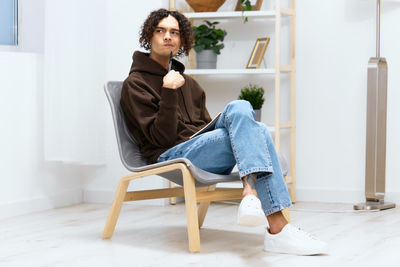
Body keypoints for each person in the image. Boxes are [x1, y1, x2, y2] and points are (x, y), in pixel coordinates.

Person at [120, 8, 328, 256]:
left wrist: (178, 89)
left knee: (244, 113)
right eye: (160, 31)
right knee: (258, 129)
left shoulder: (191, 85)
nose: (167, 37)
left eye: (174, 32)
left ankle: (252, 197)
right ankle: (276, 225)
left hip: (200, 151)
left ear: (181, 40)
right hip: (170, 155)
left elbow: (206, 128)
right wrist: (168, 91)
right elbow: (160, 139)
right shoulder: (135, 84)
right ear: (149, 37)